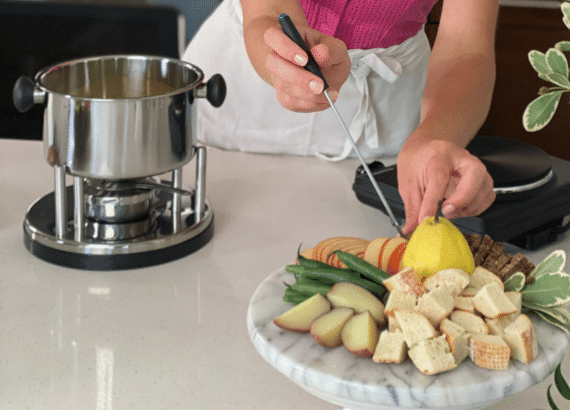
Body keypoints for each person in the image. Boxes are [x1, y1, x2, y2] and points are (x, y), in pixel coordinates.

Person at [183, 0, 497, 235]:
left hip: (392, 99)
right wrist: (287, 54)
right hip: (251, 83)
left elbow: (465, 48)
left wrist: (431, 137)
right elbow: (269, 9)